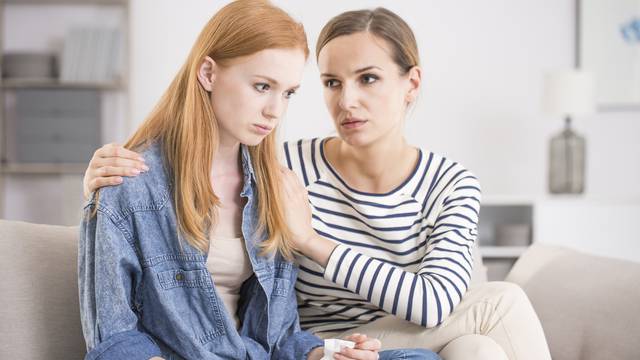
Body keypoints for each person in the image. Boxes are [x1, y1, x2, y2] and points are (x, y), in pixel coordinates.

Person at [83, 4, 550, 360]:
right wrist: (97, 192)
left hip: (344, 339)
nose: (347, 101)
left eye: (368, 79)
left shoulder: (277, 179)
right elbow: (115, 326)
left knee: (477, 347)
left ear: (412, 83)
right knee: (498, 308)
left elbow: (428, 306)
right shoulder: (285, 168)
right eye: (330, 82)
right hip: (292, 344)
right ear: (208, 73)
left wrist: (310, 246)